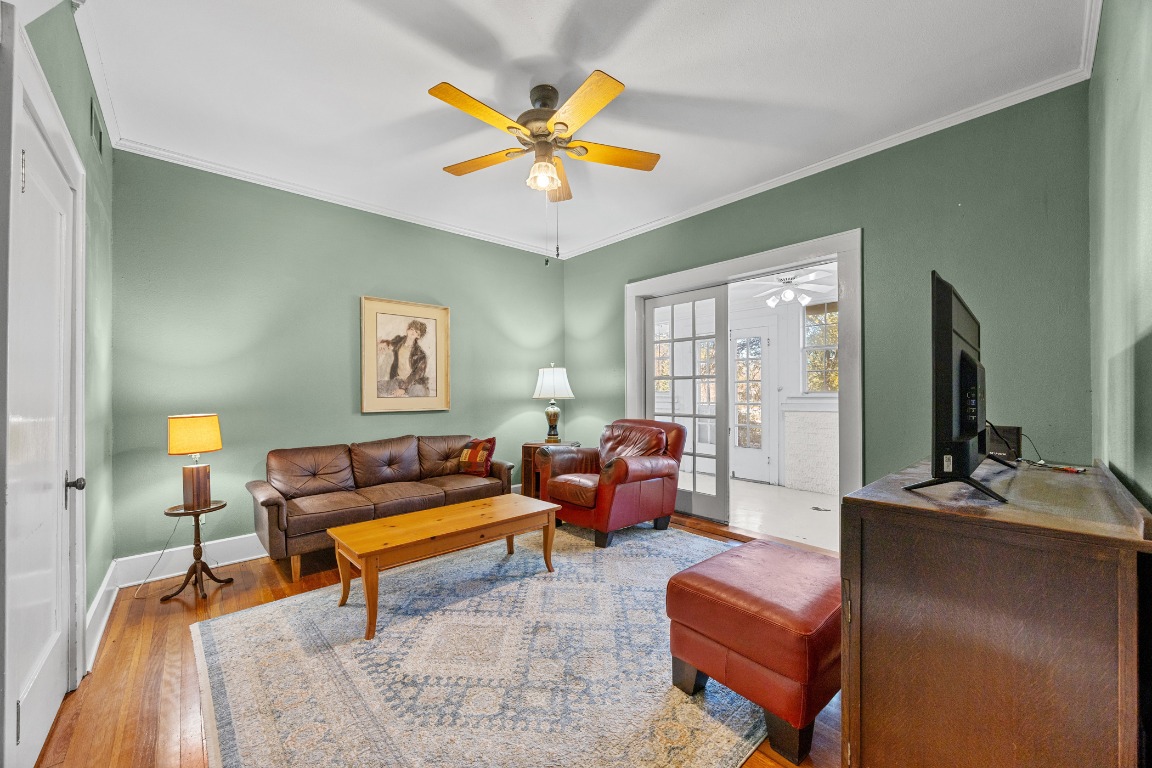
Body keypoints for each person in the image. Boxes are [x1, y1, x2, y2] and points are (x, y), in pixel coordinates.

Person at [378, 319, 430, 397]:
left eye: (416, 331)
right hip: (398, 380)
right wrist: (383, 344)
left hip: (413, 383)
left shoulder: (421, 354)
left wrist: (403, 388)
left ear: (418, 336)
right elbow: (390, 343)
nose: (413, 332)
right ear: (407, 330)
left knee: (418, 393)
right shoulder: (399, 340)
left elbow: (417, 374)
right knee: (377, 387)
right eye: (412, 329)